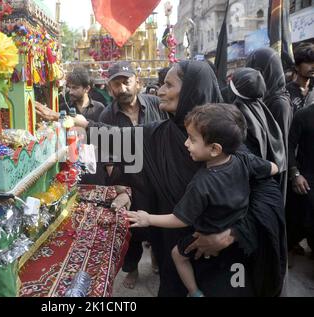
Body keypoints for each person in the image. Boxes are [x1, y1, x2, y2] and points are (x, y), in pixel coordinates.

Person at [72, 60, 286, 296]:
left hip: (227, 258)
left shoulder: (228, 133)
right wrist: (82, 125)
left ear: (193, 89)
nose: (160, 91)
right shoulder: (160, 134)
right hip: (174, 249)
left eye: (169, 85)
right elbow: (118, 138)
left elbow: (268, 196)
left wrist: (231, 234)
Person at [126, 103, 279, 297]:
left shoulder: (202, 182)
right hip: (238, 237)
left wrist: (148, 219)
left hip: (205, 236)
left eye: (192, 139)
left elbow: (181, 219)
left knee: (177, 254)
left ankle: (194, 292)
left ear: (215, 149)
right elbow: (273, 167)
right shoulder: (244, 160)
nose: (186, 144)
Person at [98, 61, 168, 289]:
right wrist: (121, 191)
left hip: (160, 176)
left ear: (137, 82)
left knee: (161, 224)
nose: (122, 88)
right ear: (110, 89)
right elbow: (108, 156)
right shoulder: (107, 115)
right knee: (134, 229)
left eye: (126, 81)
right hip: (131, 181)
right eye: (116, 84)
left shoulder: (157, 104)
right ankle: (133, 268)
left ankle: (159, 257)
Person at [246, 47, 292, 201]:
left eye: (258, 71)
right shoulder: (265, 98)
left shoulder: (279, 104)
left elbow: (280, 148)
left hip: (275, 173)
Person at [287, 101, 314, 258]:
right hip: (306, 177)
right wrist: (295, 173)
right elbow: (289, 146)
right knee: (301, 219)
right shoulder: (303, 115)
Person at [286, 43, 314, 113]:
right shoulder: (286, 92)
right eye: (308, 62)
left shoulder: (312, 90)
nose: (313, 66)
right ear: (296, 66)